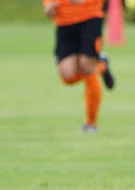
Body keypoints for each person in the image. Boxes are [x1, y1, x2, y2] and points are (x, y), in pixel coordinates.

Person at [43, 0, 115, 132]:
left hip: (90, 16)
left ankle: (91, 123)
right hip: (64, 21)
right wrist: (48, 6)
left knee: (87, 66)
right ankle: (101, 65)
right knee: (67, 75)